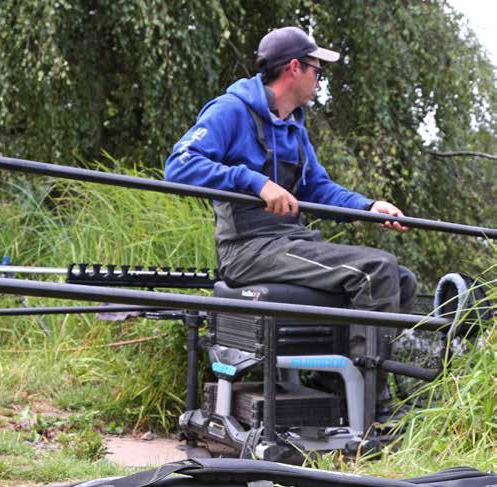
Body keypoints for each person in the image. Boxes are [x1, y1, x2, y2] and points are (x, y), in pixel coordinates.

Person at [164, 26, 417, 371]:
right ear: (294, 68)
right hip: (247, 248)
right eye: (317, 72)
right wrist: (254, 182)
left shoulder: (294, 127)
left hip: (290, 241)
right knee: (376, 270)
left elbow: (318, 188)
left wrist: (368, 206)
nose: (319, 81)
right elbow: (179, 166)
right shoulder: (231, 110)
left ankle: (335, 385)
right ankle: (369, 395)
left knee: (401, 279)